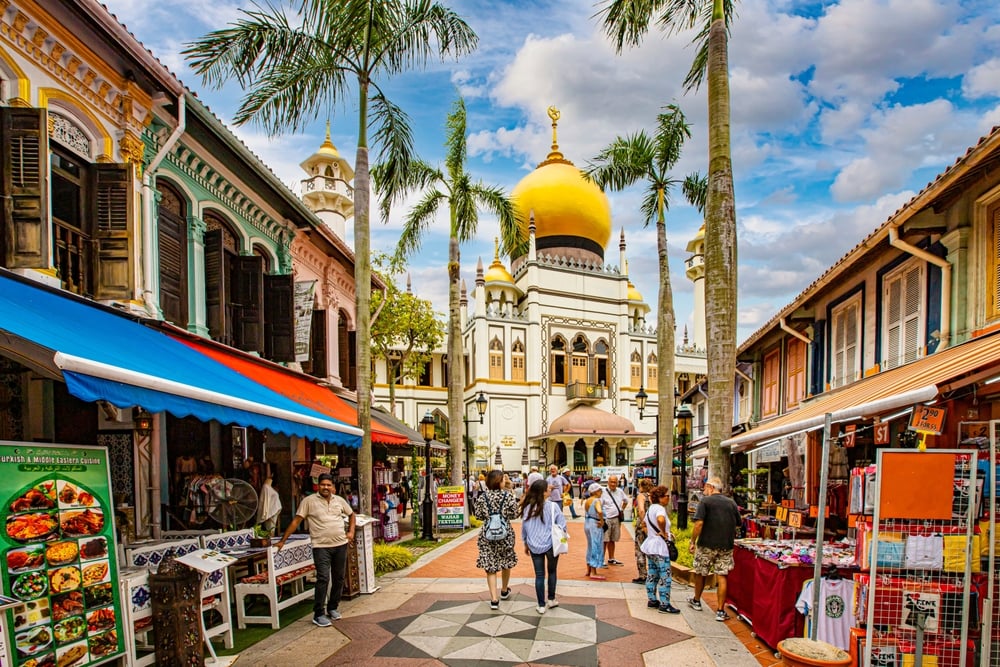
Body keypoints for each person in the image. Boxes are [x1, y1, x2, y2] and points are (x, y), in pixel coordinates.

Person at [276, 473, 355, 627]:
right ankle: (318, 614)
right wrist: (282, 540)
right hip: (321, 547)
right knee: (323, 578)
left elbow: (352, 515)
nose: (326, 487)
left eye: (328, 485)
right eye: (323, 484)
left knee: (339, 578)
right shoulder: (309, 501)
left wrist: (351, 532)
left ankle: (333, 607)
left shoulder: (339, 501)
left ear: (332, 486)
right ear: (318, 486)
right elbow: (296, 521)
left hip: (340, 544)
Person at [688, 477, 743, 622]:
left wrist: (693, 541)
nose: (704, 490)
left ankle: (696, 600)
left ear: (711, 487)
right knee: (722, 575)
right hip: (725, 545)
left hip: (706, 544)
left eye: (705, 487)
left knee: (701, 572)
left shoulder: (705, 501)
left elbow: (699, 523)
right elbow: (739, 524)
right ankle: (720, 610)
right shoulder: (731, 502)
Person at [520, 479, 567, 614]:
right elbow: (562, 525)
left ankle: (541, 605)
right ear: (543, 492)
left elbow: (525, 527)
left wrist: (525, 543)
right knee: (552, 571)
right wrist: (562, 540)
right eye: (548, 488)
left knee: (539, 575)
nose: (550, 489)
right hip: (551, 544)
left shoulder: (527, 507)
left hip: (533, 544)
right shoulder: (553, 506)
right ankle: (551, 599)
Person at [473, 469, 518, 610]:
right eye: (503, 479)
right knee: (506, 561)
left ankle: (493, 599)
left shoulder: (483, 497)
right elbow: (514, 514)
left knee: (490, 565)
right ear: (499, 481)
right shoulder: (508, 496)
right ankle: (504, 590)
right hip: (505, 534)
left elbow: (478, 515)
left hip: (487, 535)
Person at [641, 485, 681, 613]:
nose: (669, 498)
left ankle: (652, 600)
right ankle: (664, 604)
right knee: (665, 576)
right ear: (660, 497)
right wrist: (663, 532)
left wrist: (651, 534)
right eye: (667, 496)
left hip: (650, 545)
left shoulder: (650, 508)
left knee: (652, 574)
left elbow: (643, 524)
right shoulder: (660, 509)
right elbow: (660, 519)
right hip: (660, 547)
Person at [600, 474, 629, 566]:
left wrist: (621, 509)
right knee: (605, 540)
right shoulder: (603, 492)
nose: (613, 484)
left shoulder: (620, 491)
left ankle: (611, 558)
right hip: (606, 519)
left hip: (616, 519)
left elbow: (626, 501)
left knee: (613, 539)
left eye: (615, 482)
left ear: (617, 483)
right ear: (608, 482)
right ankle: (601, 559)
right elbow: (599, 505)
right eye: (611, 482)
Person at [632, 477, 653, 584]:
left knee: (640, 550)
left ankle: (643, 575)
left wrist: (643, 523)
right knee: (652, 550)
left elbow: (641, 510)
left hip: (643, 526)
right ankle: (653, 574)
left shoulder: (641, 496)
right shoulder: (653, 497)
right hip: (653, 525)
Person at [583, 484, 606, 579]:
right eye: (600, 491)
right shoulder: (596, 500)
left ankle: (588, 569)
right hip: (595, 523)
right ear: (596, 491)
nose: (601, 492)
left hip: (588, 522)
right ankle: (593, 571)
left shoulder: (588, 500)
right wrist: (602, 521)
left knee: (590, 545)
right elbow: (599, 511)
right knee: (596, 545)